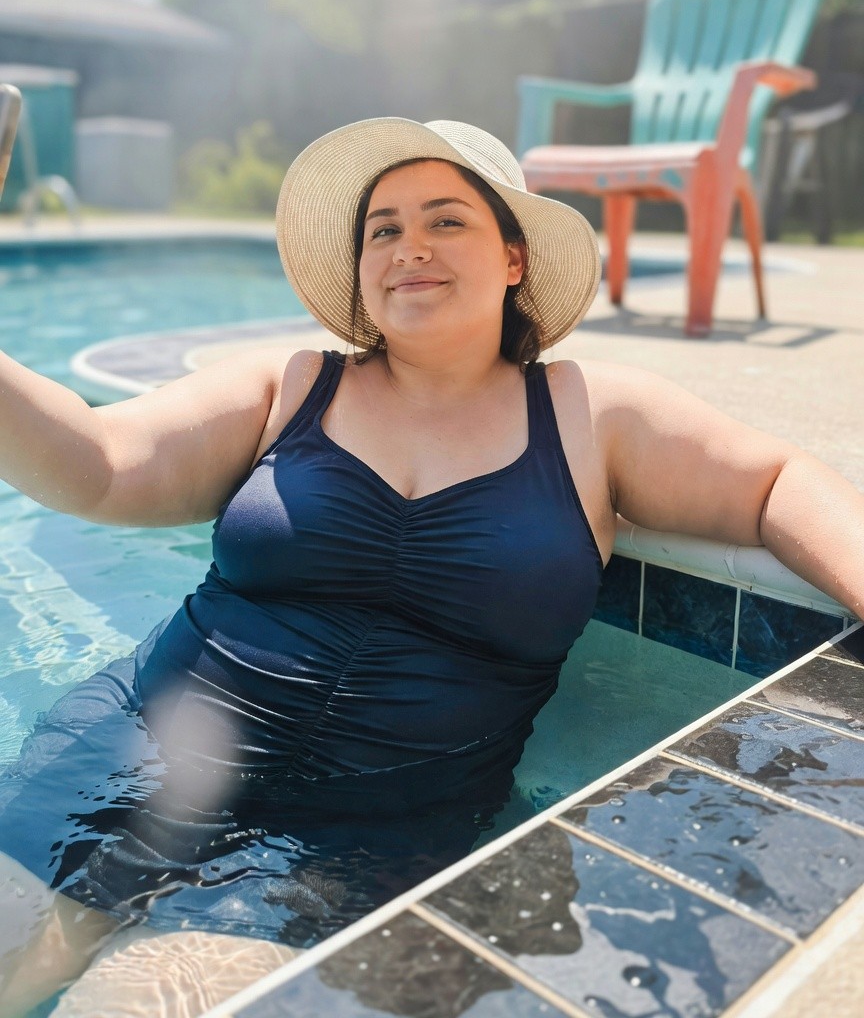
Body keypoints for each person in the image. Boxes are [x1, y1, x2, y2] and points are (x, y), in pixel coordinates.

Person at [0, 117, 862, 1016]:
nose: (409, 247)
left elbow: (777, 484)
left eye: (446, 220)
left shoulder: (590, 414)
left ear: (515, 258)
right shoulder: (292, 385)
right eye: (384, 228)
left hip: (353, 835)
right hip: (133, 751)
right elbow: (97, 464)